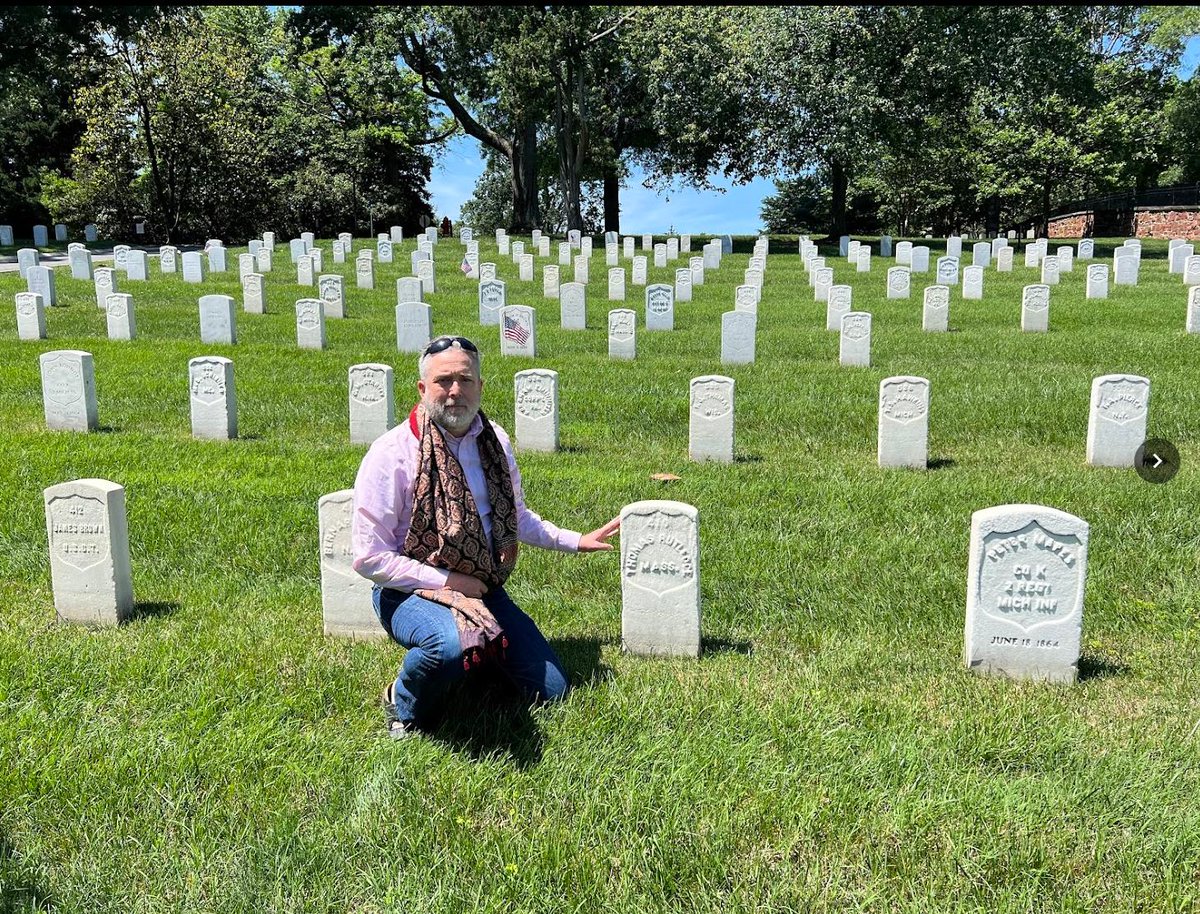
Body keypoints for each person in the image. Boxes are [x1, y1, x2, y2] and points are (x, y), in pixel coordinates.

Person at [351, 336, 620, 739]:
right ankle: (403, 700)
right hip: (407, 591)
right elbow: (369, 557)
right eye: (443, 381)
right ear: (423, 389)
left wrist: (575, 540)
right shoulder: (391, 453)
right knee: (446, 646)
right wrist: (452, 583)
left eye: (465, 379)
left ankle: (477, 652)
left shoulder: (494, 441)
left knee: (552, 690)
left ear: (480, 385)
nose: (455, 390)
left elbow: (516, 518)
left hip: (481, 586)